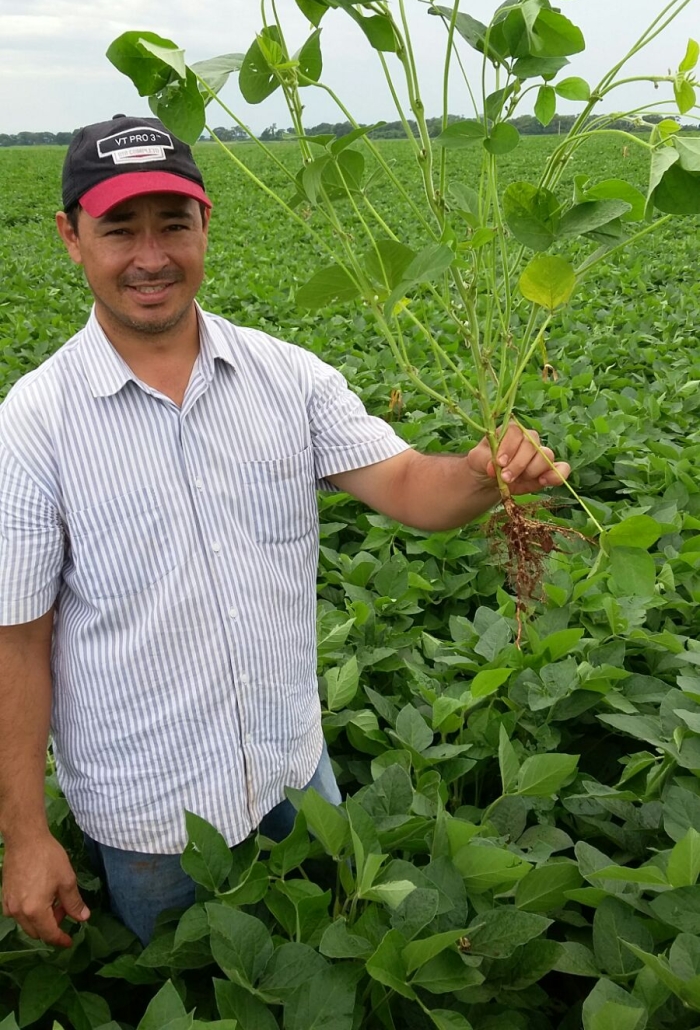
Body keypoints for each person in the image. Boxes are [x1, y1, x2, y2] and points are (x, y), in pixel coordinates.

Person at [0, 115, 570, 949]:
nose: (150, 256)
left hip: (297, 778)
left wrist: (486, 475)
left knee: (320, 962)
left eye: (173, 225)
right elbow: (15, 646)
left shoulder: (289, 379)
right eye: (119, 228)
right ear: (71, 236)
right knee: (188, 984)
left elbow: (414, 488)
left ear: (206, 226)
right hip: (152, 816)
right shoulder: (33, 425)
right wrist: (26, 835)